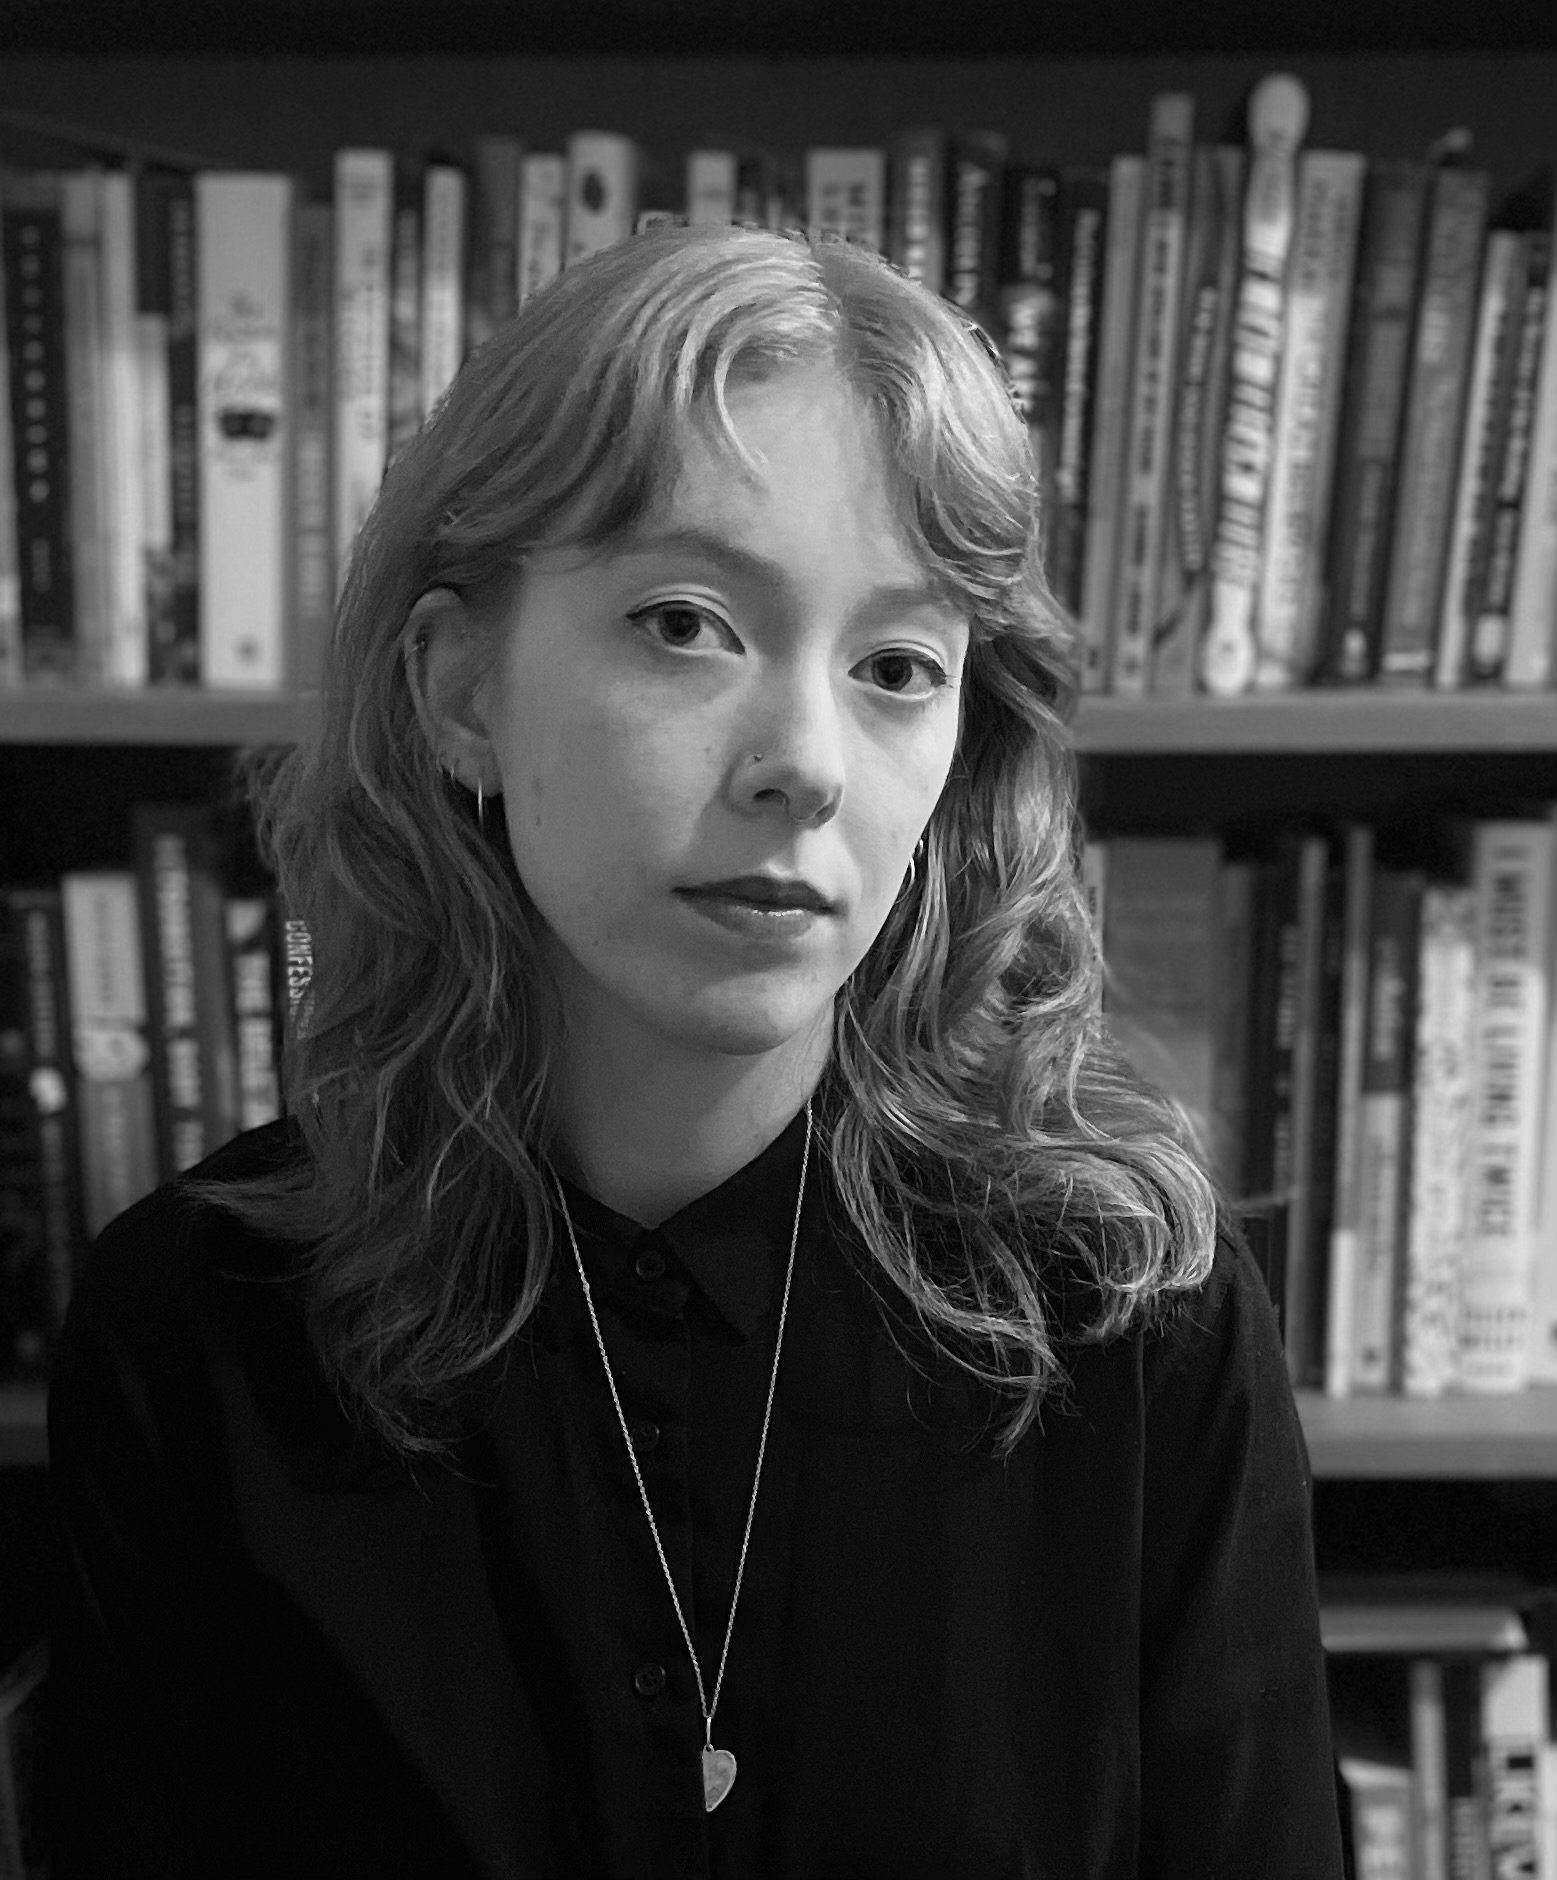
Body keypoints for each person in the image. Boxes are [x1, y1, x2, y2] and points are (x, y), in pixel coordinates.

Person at [44, 220, 1345, 1879]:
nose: (804, 762)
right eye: (684, 623)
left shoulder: (1130, 1329)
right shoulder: (197, 1333)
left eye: (894, 666)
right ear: (459, 689)